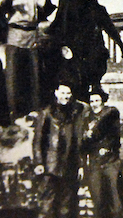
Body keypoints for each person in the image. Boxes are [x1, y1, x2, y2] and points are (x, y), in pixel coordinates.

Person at [31, 82, 89, 218]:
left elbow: (77, 142)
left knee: (67, 206)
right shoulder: (47, 113)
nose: (66, 96)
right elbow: (38, 141)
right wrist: (39, 162)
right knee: (47, 205)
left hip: (69, 165)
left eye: (68, 93)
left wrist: (80, 165)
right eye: (63, 93)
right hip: (50, 166)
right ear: (56, 93)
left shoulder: (75, 114)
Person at [0, 0, 55, 117]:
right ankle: (12, 109)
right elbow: (1, 9)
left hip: (31, 36)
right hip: (15, 36)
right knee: (13, 74)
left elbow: (45, 13)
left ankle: (35, 109)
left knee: (34, 73)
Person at [81, 89, 123, 218]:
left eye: (97, 100)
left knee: (115, 197)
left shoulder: (110, 112)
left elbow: (110, 131)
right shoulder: (86, 117)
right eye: (92, 101)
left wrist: (92, 133)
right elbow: (82, 141)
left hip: (110, 160)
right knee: (98, 198)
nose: (94, 104)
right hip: (94, 161)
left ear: (103, 101)